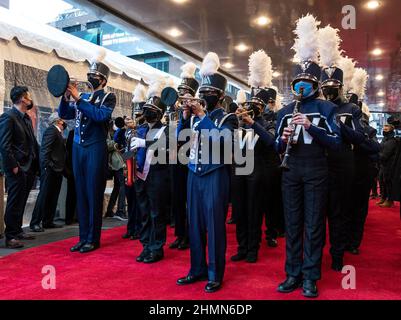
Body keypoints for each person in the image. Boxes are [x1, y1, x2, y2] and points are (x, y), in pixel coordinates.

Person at [275, 15, 341, 298]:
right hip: (291, 171)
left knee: (313, 225)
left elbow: (336, 143)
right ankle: (293, 273)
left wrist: (310, 125)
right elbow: (276, 144)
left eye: (306, 82)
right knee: (292, 224)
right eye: (298, 81)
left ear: (314, 84)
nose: (301, 86)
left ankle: (310, 276)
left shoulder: (326, 109)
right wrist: (284, 138)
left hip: (316, 170)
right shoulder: (284, 111)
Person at [176, 52, 238, 293]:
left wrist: (201, 116)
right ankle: (197, 268)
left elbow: (224, 143)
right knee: (195, 225)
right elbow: (180, 141)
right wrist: (184, 117)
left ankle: (215, 273)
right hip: (194, 172)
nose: (203, 98)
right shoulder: (193, 118)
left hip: (215, 174)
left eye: (208, 94)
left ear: (220, 96)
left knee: (214, 226)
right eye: (201, 95)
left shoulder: (228, 118)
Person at [318, 27, 366, 271]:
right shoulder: (317, 107)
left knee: (338, 213)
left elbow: (359, 137)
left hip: (342, 165)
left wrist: (340, 126)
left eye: (332, 85)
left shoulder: (351, 109)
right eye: (324, 85)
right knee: (317, 215)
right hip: (319, 165)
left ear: (340, 86)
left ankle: (338, 255)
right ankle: (315, 257)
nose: (328, 89)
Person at [58, 50, 116, 253]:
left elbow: (99, 116)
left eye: (95, 76)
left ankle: (93, 238)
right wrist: (66, 98)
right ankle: (83, 237)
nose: (91, 78)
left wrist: (79, 100)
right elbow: (64, 114)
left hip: (95, 147)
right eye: (90, 74)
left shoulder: (108, 97)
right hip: (78, 147)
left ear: (103, 80)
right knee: (81, 192)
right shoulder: (81, 96)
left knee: (93, 192)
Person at [231, 50, 278, 263]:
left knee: (254, 211)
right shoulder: (240, 122)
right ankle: (242, 246)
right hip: (241, 168)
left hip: (259, 170)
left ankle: (253, 248)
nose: (250, 110)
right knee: (240, 210)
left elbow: (271, 141)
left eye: (255, 107)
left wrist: (253, 123)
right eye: (249, 106)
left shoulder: (269, 122)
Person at [133, 77, 170, 264]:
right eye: (147, 111)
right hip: (141, 175)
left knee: (157, 213)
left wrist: (145, 142)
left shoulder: (165, 129)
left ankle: (157, 247)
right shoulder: (140, 129)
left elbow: (165, 146)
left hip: (157, 176)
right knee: (144, 213)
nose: (147, 115)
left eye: (151, 112)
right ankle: (146, 245)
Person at [0, 86, 39, 249]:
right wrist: (14, 166)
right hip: (17, 167)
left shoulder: (25, 118)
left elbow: (31, 142)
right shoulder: (8, 117)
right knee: (14, 202)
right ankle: (10, 236)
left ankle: (17, 231)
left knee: (21, 201)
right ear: (23, 98)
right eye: (28, 96)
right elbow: (4, 145)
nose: (30, 99)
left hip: (28, 166)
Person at [169, 62, 199, 250]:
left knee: (189, 200)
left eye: (186, 93)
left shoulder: (195, 115)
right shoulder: (174, 113)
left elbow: (184, 135)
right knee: (177, 198)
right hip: (175, 159)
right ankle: (180, 234)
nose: (182, 98)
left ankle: (189, 234)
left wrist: (187, 114)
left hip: (189, 158)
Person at [30, 112, 67, 232]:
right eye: (62, 119)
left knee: (53, 196)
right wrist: (47, 166)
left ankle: (48, 221)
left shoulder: (57, 132)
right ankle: (35, 222)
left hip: (57, 170)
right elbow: (45, 150)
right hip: (50, 169)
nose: (64, 122)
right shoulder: (51, 131)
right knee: (44, 195)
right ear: (58, 121)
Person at [122, 84, 146, 240]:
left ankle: (138, 228)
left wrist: (135, 128)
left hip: (138, 166)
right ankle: (130, 227)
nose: (136, 116)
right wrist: (123, 128)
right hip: (128, 165)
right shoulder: (128, 130)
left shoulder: (143, 129)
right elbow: (120, 142)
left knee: (138, 201)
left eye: (138, 114)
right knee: (129, 200)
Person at [105, 120, 127, 220]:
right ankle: (120, 211)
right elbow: (108, 146)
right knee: (122, 186)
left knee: (118, 187)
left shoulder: (114, 133)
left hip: (116, 162)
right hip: (115, 163)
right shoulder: (106, 133)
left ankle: (110, 210)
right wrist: (116, 142)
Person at [377, 124, 397, 208]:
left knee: (388, 183)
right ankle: (384, 197)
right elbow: (379, 149)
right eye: (384, 127)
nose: (384, 129)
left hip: (389, 165)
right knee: (382, 181)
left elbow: (385, 154)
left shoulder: (392, 140)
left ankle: (390, 200)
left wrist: (376, 155)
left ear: (391, 129)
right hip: (383, 164)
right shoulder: (384, 139)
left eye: (386, 128)